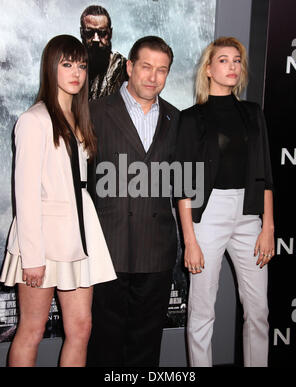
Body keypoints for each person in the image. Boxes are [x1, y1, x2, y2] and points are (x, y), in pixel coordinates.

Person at [0, 34, 116, 367]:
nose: (76, 72)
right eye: (67, 64)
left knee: (81, 328)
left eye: (81, 65)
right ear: (51, 68)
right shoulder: (33, 120)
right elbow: (25, 193)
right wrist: (32, 257)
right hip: (43, 241)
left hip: (79, 235)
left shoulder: (80, 120)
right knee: (32, 330)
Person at [176, 36, 274, 367]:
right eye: (223, 60)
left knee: (259, 309)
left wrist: (268, 226)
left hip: (249, 215)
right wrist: (189, 239)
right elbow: (184, 186)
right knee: (202, 310)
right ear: (208, 69)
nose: (232, 66)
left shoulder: (252, 113)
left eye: (236, 61)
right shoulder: (191, 119)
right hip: (208, 215)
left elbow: (266, 173)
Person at [86, 36, 179, 367]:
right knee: (104, 347)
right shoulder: (94, 112)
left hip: (156, 251)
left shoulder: (175, 118)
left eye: (162, 70)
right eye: (146, 67)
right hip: (107, 249)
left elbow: (181, 185)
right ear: (129, 67)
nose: (153, 77)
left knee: (146, 348)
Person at [80, 5, 128, 100]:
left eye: (102, 33)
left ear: (110, 33)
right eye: (89, 33)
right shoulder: (71, 67)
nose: (96, 39)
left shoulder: (124, 68)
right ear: (82, 33)